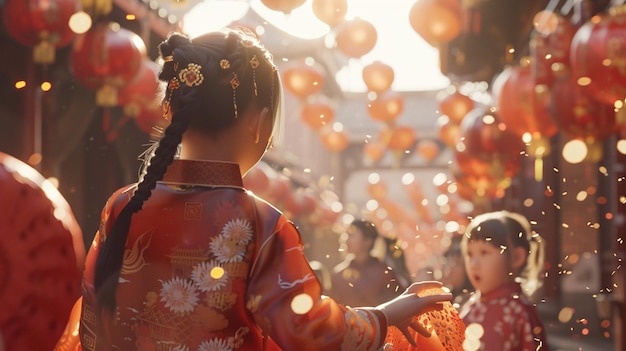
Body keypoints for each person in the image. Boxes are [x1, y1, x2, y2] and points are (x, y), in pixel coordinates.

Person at [66, 28, 452, 351]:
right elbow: (309, 331)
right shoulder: (257, 223)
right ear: (261, 124)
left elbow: (92, 324)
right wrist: (385, 315)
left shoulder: (123, 205)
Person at [458, 210, 549, 351]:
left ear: (516, 257)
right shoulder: (470, 306)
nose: (474, 264)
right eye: (470, 254)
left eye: (484, 252)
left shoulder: (518, 311)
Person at [328, 220, 405, 307]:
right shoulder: (338, 274)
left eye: (351, 235)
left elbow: (398, 304)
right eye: (346, 235)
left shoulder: (384, 273)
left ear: (367, 241)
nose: (346, 240)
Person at [440, 235, 473, 309]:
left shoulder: (468, 303)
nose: (449, 269)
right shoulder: (447, 296)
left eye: (456, 263)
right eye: (448, 261)